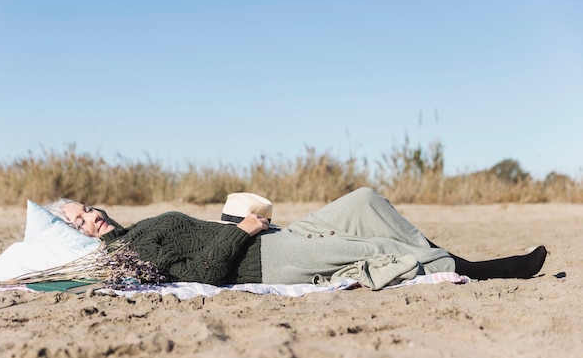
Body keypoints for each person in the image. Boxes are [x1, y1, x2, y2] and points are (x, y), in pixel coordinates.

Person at [44, 187, 547, 289]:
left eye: (88, 208)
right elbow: (203, 274)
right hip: (260, 258)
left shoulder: (137, 229)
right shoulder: (128, 252)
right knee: (377, 250)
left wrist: (240, 222)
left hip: (264, 237)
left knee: (364, 202)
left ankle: (450, 257)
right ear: (78, 237)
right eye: (79, 222)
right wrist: (241, 230)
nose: (92, 218)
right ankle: (480, 268)